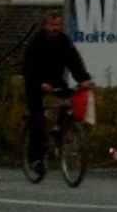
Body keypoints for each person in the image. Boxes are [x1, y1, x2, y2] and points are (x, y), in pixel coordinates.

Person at [20, 10, 90, 176]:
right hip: (36, 82)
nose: (55, 28)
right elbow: (28, 68)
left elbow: (74, 62)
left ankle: (61, 129)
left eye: (58, 25)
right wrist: (40, 84)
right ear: (45, 25)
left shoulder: (64, 41)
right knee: (37, 117)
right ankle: (36, 158)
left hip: (56, 80)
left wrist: (83, 79)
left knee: (70, 100)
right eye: (52, 25)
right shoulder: (36, 43)